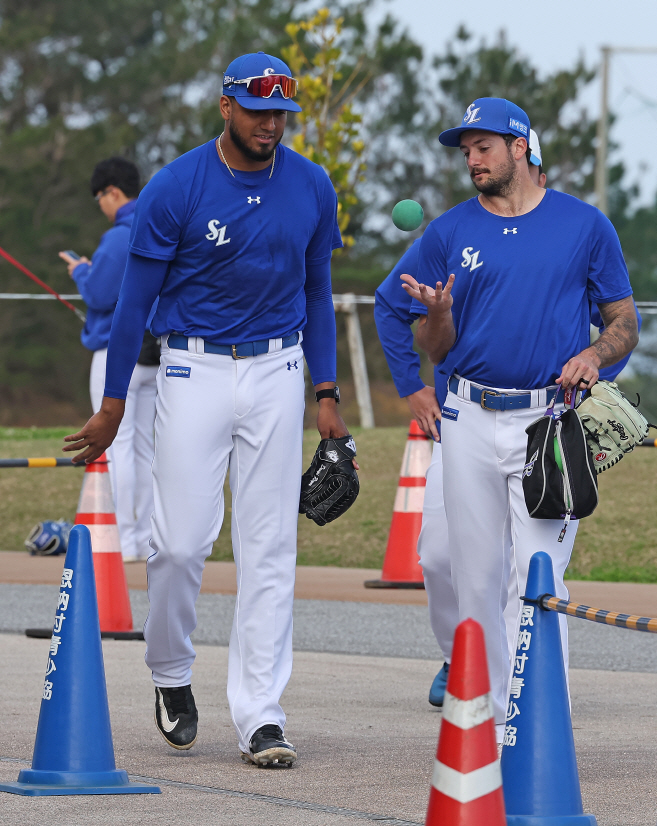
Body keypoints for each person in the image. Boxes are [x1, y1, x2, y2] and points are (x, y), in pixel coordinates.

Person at [63, 52, 351, 767]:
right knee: (182, 542)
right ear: (226, 106)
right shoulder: (177, 186)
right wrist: (111, 405)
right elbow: (132, 302)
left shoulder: (312, 184)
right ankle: (170, 674)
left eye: (281, 112)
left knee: (270, 548)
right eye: (257, 110)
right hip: (192, 365)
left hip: (279, 368)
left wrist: (327, 392)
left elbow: (319, 292)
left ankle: (262, 714)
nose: (269, 124)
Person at [401, 98, 639, 742]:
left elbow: (625, 321)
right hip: (470, 417)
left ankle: (538, 730)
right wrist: (439, 313)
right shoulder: (450, 231)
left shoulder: (584, 225)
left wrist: (594, 353)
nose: (471, 159)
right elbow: (436, 347)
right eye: (465, 149)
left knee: (537, 579)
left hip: (549, 425)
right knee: (474, 583)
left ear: (520, 147)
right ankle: (486, 727)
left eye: (483, 146)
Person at [59, 158, 159, 562]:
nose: (101, 204)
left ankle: (124, 541)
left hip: (118, 357)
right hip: (155, 355)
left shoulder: (118, 238)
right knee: (149, 450)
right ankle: (149, 540)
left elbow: (99, 294)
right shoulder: (157, 224)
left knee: (119, 449)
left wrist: (83, 272)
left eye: (100, 197)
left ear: (113, 192)